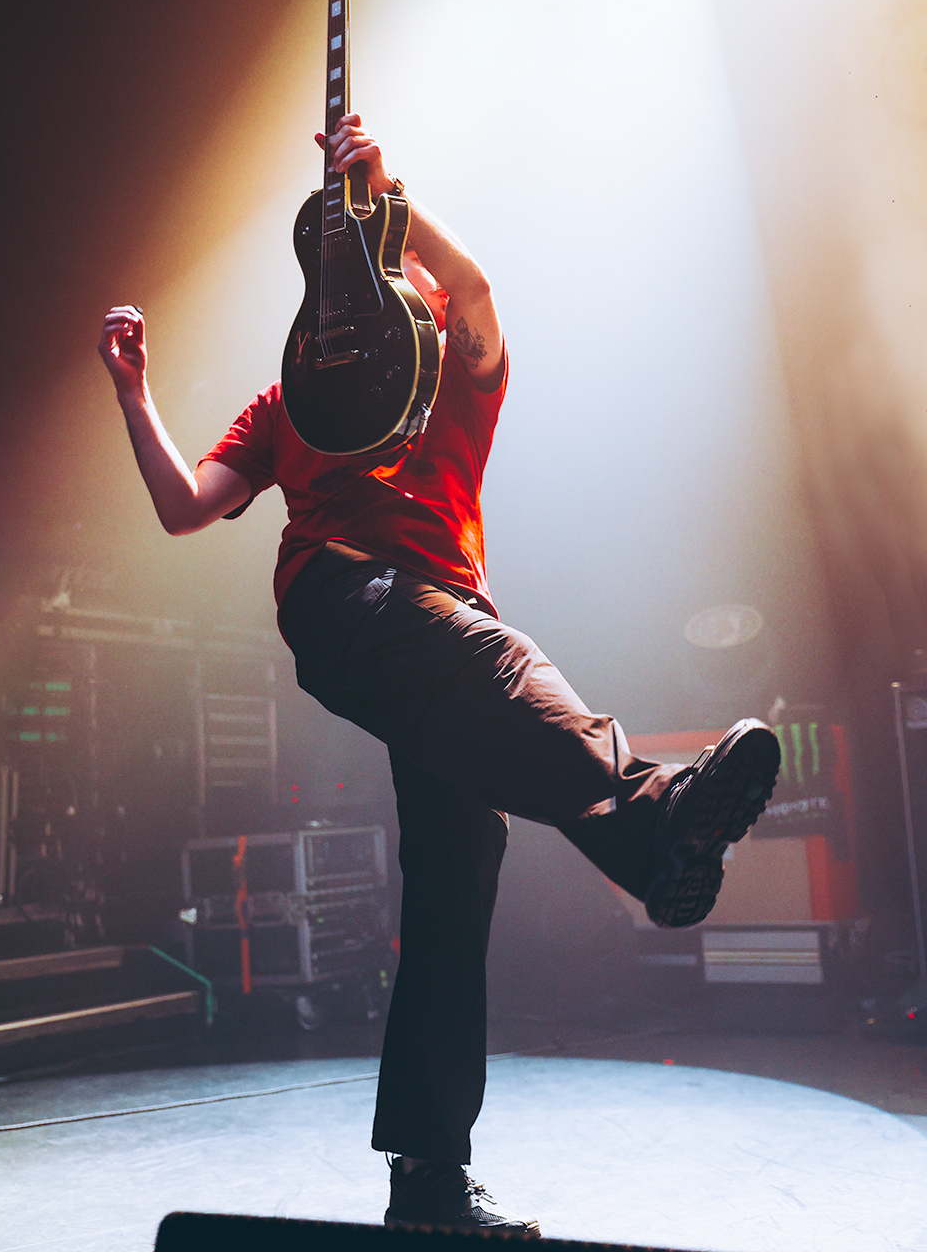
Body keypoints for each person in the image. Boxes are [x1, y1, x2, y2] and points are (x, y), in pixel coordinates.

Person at [98, 113, 781, 1236]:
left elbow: (473, 287)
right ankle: (653, 815)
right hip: (348, 603)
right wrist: (134, 393)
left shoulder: (457, 376)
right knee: (496, 659)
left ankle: (426, 1177)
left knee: (459, 867)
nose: (376, 279)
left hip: (437, 625)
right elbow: (186, 510)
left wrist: (388, 197)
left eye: (393, 261)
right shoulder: (294, 403)